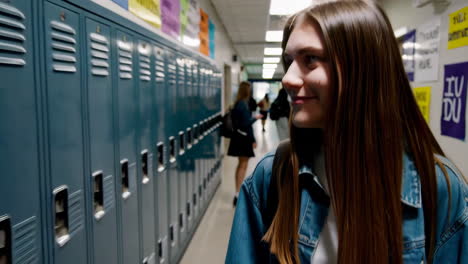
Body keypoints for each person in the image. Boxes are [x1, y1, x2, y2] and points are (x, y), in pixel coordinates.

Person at [226, 1, 467, 263]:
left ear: (362, 68)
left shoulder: (440, 188)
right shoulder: (273, 176)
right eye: (289, 61)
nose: (288, 78)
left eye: (311, 59)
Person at [227, 81, 263, 206]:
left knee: (240, 164)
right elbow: (245, 124)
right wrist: (255, 119)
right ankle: (238, 194)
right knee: (243, 165)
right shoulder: (243, 105)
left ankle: (237, 192)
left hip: (238, 137)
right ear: (246, 91)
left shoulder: (238, 104)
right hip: (244, 139)